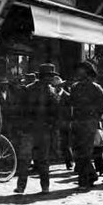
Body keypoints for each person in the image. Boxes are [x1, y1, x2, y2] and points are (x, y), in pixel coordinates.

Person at [21, 64, 60, 194]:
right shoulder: (50, 91)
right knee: (40, 160)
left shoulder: (29, 89)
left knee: (27, 159)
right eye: (49, 76)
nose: (49, 79)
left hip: (34, 129)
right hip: (38, 130)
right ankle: (44, 187)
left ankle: (24, 186)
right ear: (43, 77)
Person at [70, 62, 103, 190]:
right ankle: (91, 175)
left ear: (88, 73)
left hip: (89, 124)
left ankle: (84, 181)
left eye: (82, 71)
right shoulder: (74, 87)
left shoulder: (96, 88)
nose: (79, 74)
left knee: (85, 152)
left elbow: (102, 107)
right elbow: (71, 105)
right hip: (77, 123)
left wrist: (92, 118)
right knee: (78, 152)